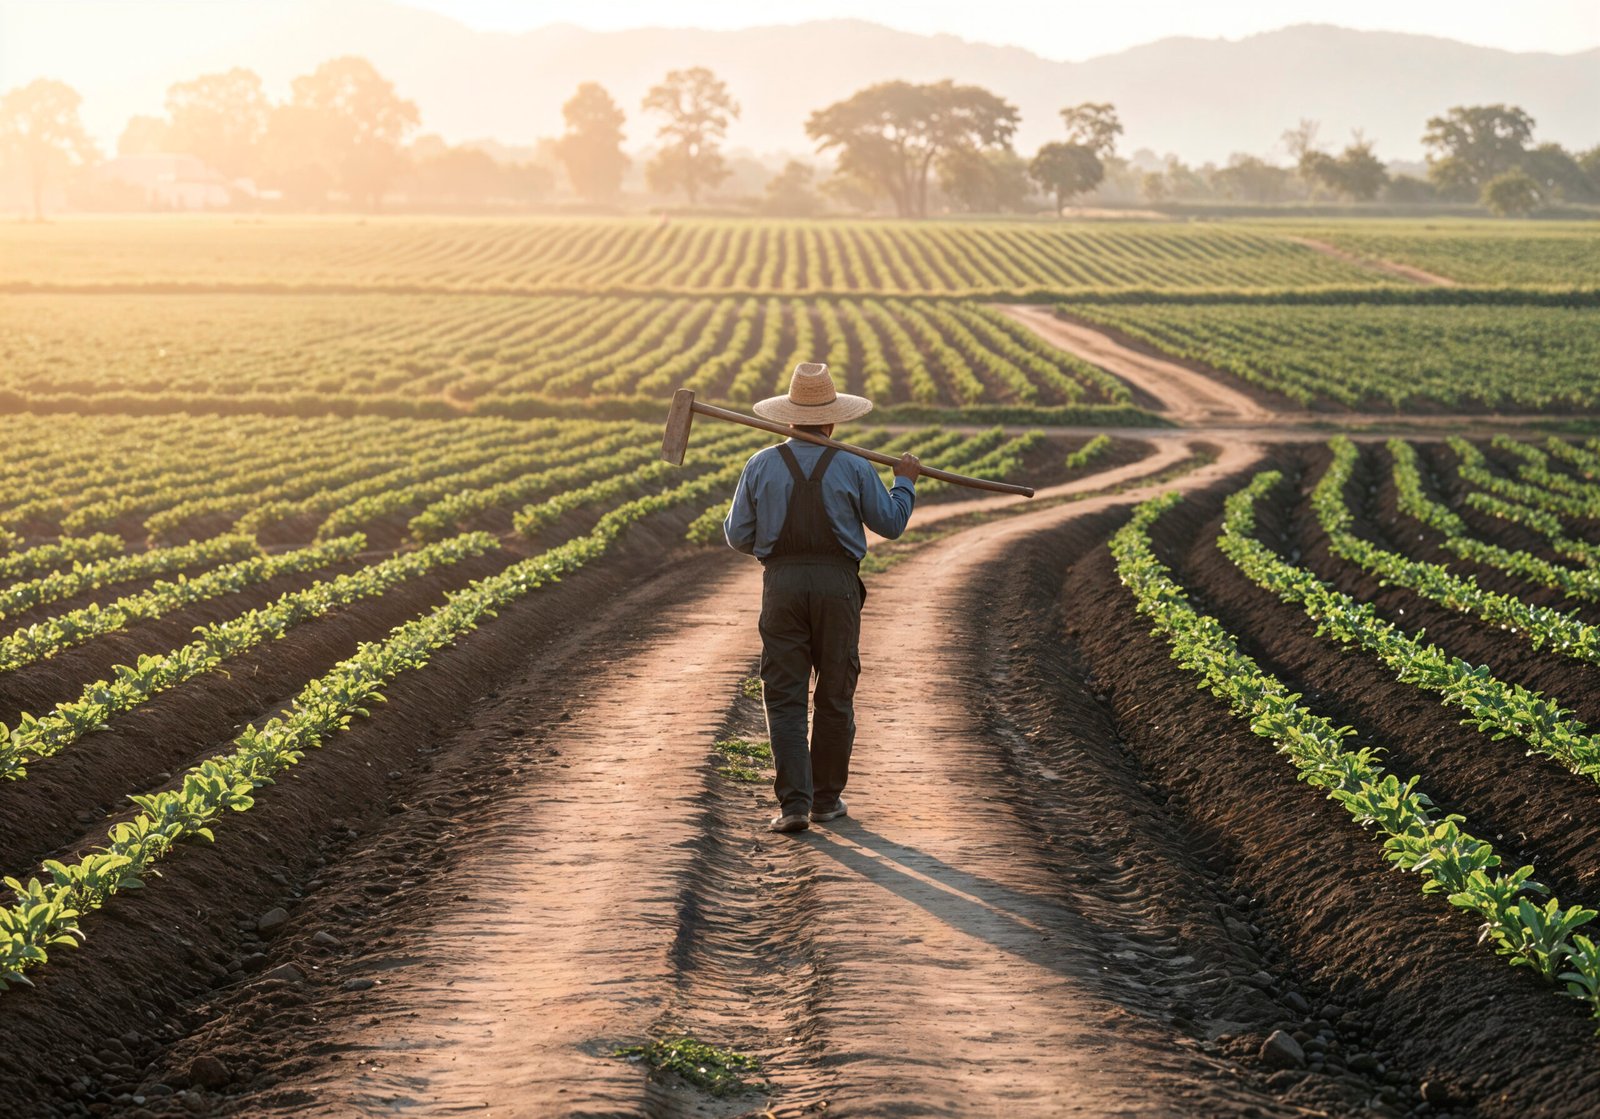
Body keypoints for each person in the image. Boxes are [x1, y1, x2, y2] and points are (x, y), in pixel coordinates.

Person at [723, 362, 920, 833]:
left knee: (784, 696)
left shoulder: (760, 464)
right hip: (837, 588)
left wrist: (777, 548)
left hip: (781, 588)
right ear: (833, 419)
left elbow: (736, 536)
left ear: (789, 418)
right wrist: (906, 480)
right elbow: (890, 524)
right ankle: (826, 801)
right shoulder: (854, 464)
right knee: (835, 692)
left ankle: (794, 805)